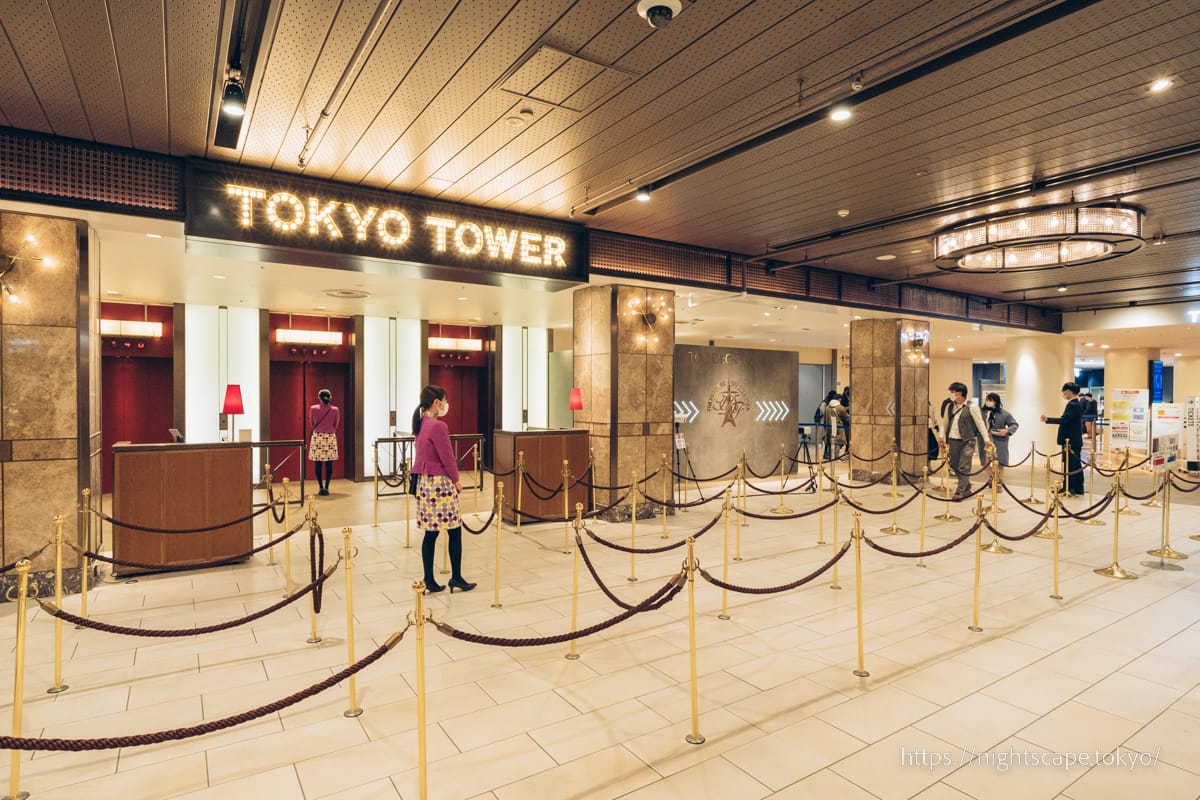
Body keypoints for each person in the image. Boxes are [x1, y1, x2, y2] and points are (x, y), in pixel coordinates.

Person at [412, 384, 475, 594]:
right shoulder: (438, 427)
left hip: (425, 483)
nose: (447, 405)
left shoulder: (421, 424)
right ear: (437, 403)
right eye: (445, 401)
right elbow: (447, 456)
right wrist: (456, 480)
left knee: (431, 533)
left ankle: (429, 579)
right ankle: (456, 577)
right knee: (455, 531)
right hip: (441, 483)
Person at [937, 382, 992, 500]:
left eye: (952, 392)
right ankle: (966, 485)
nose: (951, 395)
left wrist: (986, 439)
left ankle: (960, 491)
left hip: (968, 440)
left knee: (964, 466)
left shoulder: (972, 407)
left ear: (960, 393)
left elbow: (980, 423)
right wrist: (941, 436)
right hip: (952, 439)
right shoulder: (949, 406)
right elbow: (945, 422)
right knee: (954, 465)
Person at [1041, 381, 1085, 496]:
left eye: (1064, 392)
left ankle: (1069, 488)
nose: (1064, 395)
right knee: (1075, 464)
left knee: (1070, 465)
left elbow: (1065, 420)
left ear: (1069, 392)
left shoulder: (1073, 405)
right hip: (1074, 439)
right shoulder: (1077, 404)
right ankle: (1077, 488)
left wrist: (1048, 419)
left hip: (1070, 440)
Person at [980, 392, 1019, 485]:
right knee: (984, 462)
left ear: (996, 401)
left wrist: (1006, 431)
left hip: (1000, 441)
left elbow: (1014, 424)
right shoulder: (981, 413)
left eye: (991, 400)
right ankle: (993, 477)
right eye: (987, 400)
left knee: (1000, 463)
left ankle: (998, 482)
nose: (988, 402)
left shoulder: (1004, 413)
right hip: (985, 441)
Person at [308, 389, 340, 496]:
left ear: (319, 397)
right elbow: (336, 424)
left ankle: (320, 487)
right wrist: (330, 430)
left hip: (318, 437)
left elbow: (312, 423)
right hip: (330, 437)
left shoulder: (313, 408)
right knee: (329, 463)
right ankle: (327, 487)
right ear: (330, 397)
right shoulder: (335, 409)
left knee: (318, 463)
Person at [818, 390, 839, 459]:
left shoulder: (828, 404)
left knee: (829, 439)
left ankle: (828, 454)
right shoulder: (825, 404)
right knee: (827, 439)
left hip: (829, 422)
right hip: (826, 423)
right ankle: (827, 454)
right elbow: (824, 413)